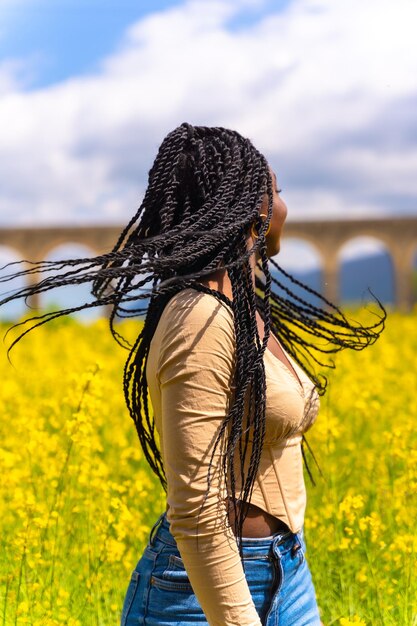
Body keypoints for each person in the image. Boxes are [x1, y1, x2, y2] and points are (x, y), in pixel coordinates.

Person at [0, 123, 386, 625]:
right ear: (252, 207)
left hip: (286, 573)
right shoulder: (200, 318)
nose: (286, 207)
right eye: (278, 191)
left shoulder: (242, 309)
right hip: (200, 594)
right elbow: (198, 510)